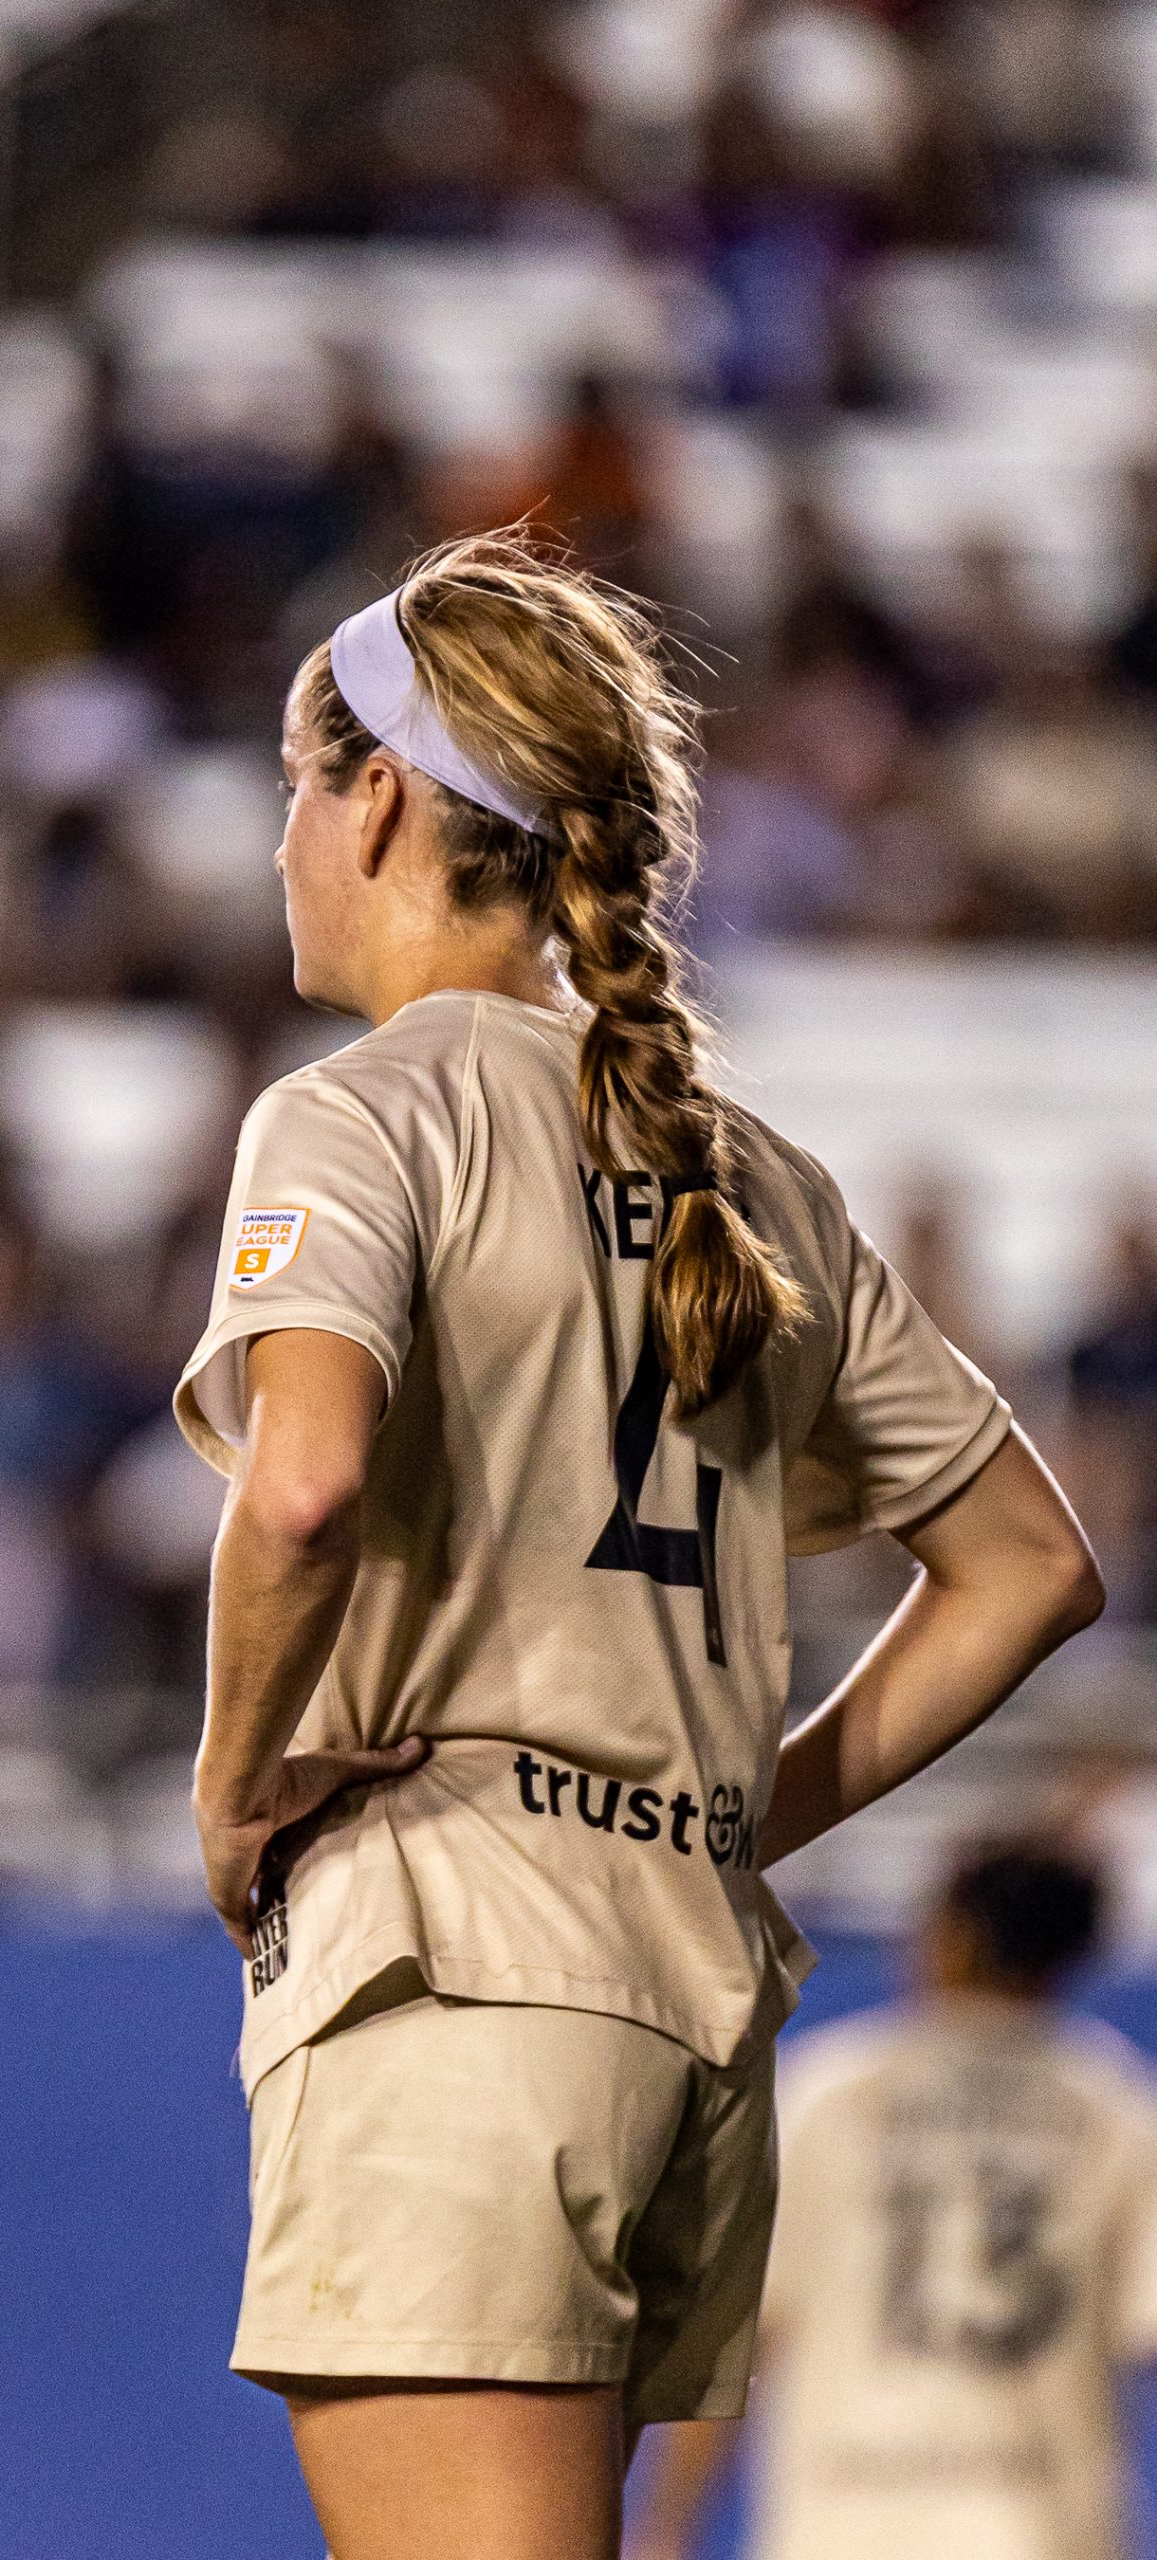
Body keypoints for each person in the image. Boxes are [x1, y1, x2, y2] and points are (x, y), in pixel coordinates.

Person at [170, 530, 1103, 2560]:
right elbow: (1030, 1564)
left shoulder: (355, 1115)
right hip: (682, 1985)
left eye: (293, 787)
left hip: (450, 1964)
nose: (280, 844)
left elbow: (300, 1488)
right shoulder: (749, 1175)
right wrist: (733, 1816)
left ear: (380, 798)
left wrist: (233, 1787)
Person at [630, 1843, 1157, 2560]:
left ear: (954, 1934)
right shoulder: (1118, 2108)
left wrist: (666, 2525)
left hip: (845, 2527)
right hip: (1044, 2529)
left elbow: (739, 2330)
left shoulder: (831, 2090)